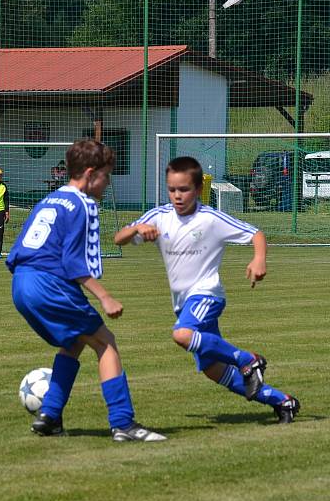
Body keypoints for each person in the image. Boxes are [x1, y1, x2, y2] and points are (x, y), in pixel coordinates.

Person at [114, 156, 299, 424]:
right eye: (172, 189)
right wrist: (135, 229)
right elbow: (118, 238)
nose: (177, 196)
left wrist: (259, 259)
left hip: (207, 295)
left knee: (182, 334)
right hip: (183, 303)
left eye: (184, 189)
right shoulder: (158, 217)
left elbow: (255, 234)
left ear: (199, 189)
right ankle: (283, 402)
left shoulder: (210, 219)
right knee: (213, 370)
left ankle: (249, 359)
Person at [6, 139, 166, 442]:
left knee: (75, 342)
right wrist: (104, 295)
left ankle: (50, 415)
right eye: (106, 175)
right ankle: (123, 424)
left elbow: (19, 252)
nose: (108, 183)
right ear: (91, 174)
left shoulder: (50, 199)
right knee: (105, 342)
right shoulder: (84, 204)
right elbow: (73, 262)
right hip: (50, 282)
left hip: (21, 282)